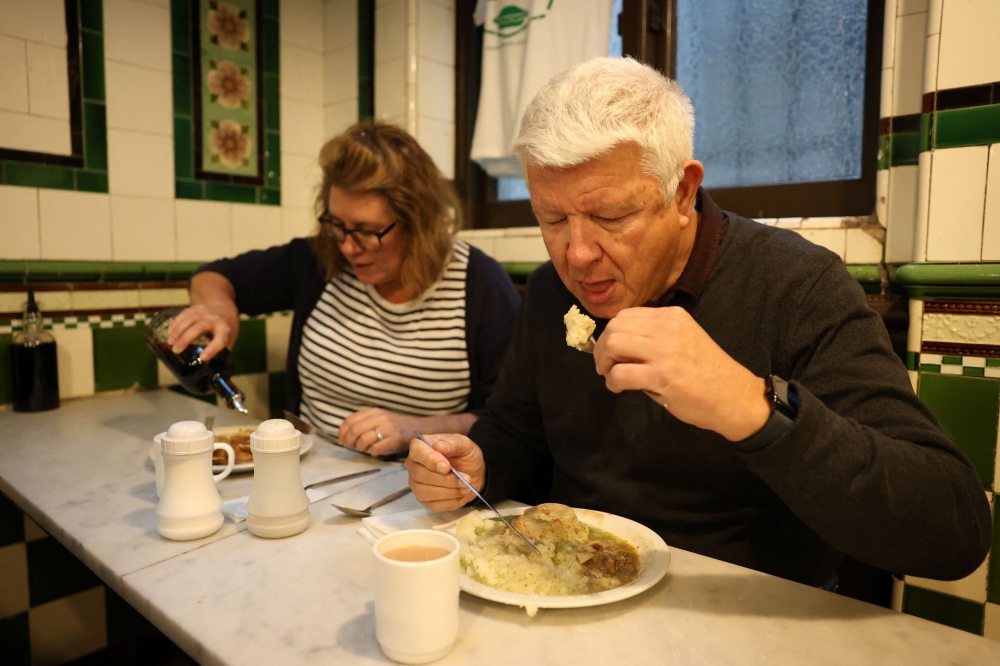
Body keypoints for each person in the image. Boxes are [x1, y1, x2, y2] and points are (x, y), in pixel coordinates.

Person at [405, 58, 992, 587]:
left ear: (682, 191)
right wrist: (477, 464)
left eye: (610, 215)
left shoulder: (796, 286)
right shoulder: (549, 296)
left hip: (745, 618)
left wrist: (750, 407)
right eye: (551, 217)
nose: (576, 254)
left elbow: (955, 531)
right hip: (568, 591)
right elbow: (518, 432)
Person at [168, 121, 520, 457]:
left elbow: (509, 420)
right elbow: (213, 276)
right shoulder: (318, 260)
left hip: (418, 491)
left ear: (419, 222)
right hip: (307, 470)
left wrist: (417, 429)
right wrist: (217, 309)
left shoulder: (481, 288)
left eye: (368, 230)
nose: (348, 248)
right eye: (338, 225)